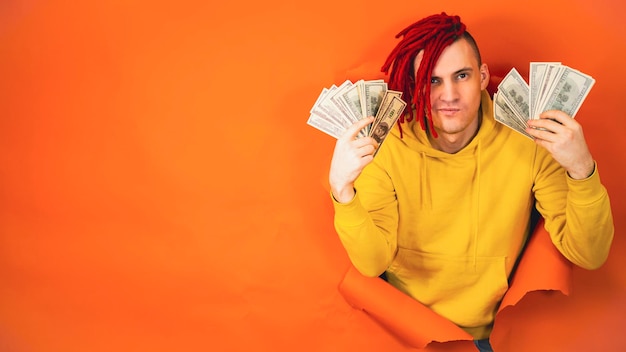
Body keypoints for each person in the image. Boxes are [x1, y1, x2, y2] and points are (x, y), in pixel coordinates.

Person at [328, 13, 614, 351]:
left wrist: (582, 169)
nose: (448, 95)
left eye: (460, 76)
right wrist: (342, 191)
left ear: (480, 77)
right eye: (432, 81)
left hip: (492, 334)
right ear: (414, 86)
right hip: (405, 331)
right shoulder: (387, 146)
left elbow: (589, 254)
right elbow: (372, 262)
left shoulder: (529, 139)